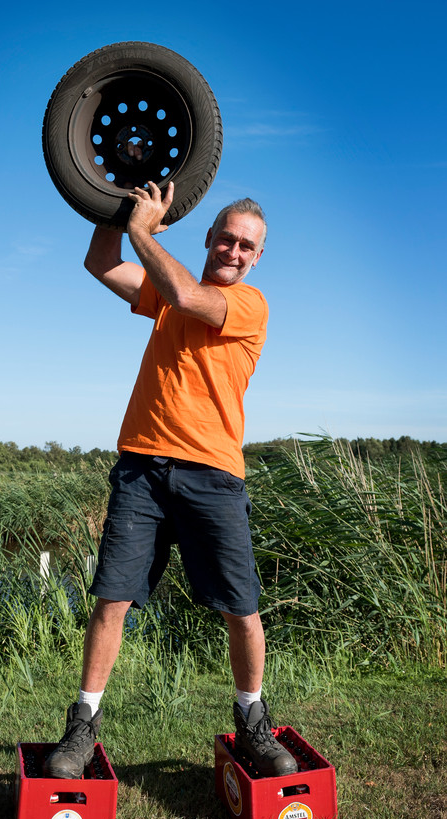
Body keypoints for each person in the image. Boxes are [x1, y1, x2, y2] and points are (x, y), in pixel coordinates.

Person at [45, 180, 297, 780]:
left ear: (256, 257)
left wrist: (142, 231)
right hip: (143, 468)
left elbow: (185, 295)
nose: (233, 251)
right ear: (208, 238)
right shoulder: (166, 292)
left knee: (241, 608)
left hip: (213, 474)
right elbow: (100, 262)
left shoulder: (248, 306)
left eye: (246, 246)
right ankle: (82, 726)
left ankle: (253, 721)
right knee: (112, 599)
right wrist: (116, 198)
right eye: (226, 239)